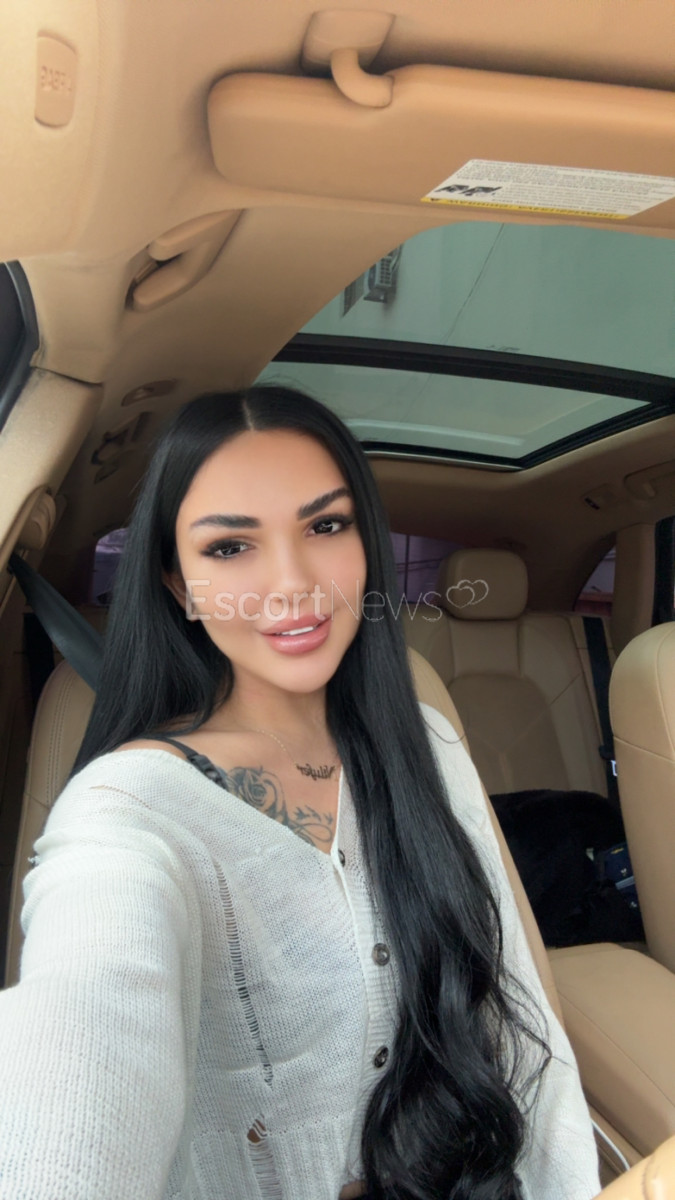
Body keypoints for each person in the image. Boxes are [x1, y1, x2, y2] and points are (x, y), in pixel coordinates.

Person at [0, 387, 601, 1200]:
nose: (292, 583)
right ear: (179, 586)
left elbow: (518, 1017)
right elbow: (85, 1026)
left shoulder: (426, 742)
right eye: (229, 547)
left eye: (325, 527)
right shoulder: (127, 811)